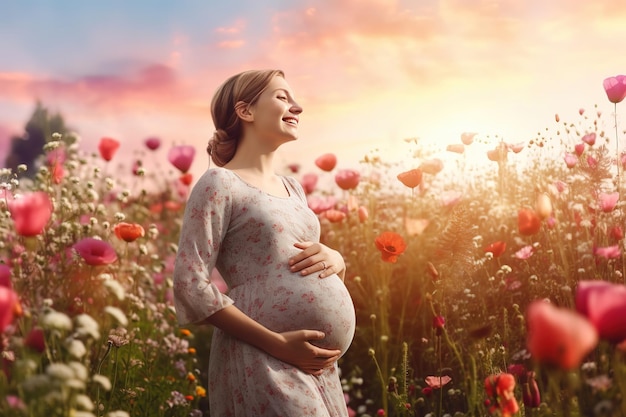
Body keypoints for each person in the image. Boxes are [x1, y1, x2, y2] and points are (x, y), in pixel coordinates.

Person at [173, 69, 356, 416]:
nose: (297, 106)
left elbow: (304, 273)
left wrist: (337, 261)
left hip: (317, 366)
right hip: (263, 355)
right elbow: (189, 284)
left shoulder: (294, 189)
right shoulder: (220, 183)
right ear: (246, 111)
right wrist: (279, 345)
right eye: (282, 97)